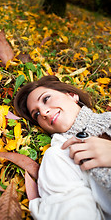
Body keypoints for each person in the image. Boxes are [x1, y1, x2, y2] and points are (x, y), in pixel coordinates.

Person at [14, 75, 111, 220]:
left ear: (72, 95)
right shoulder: (60, 155)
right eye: (37, 114)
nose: (44, 113)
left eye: (46, 99)